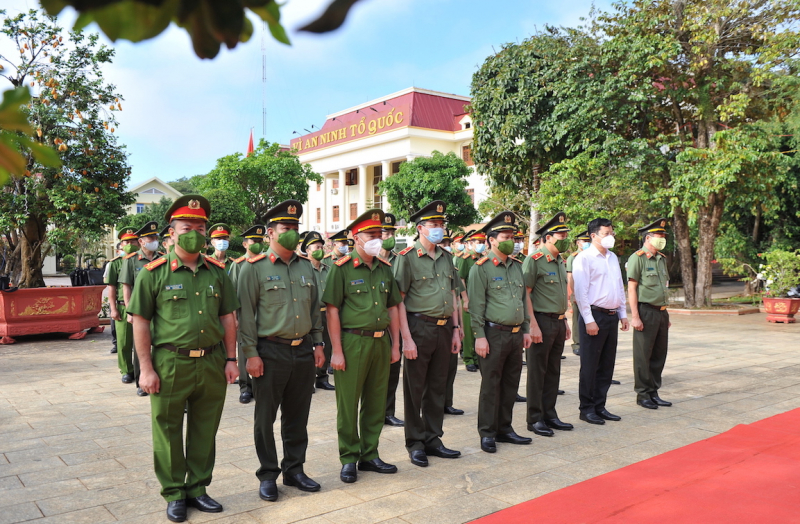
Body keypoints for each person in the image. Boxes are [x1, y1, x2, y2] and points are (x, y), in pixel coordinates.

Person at [127, 195, 239, 523]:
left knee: (205, 428)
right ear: (172, 233)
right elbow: (141, 323)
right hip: (169, 362)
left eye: (200, 227)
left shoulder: (218, 272)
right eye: (187, 227)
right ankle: (175, 492)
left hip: (211, 362)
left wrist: (231, 359)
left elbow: (228, 319)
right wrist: (145, 369)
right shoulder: (153, 274)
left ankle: (198, 488)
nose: (195, 232)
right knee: (168, 429)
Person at [237, 201, 326, 502]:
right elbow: (245, 315)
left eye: (295, 228)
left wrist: (318, 344)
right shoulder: (254, 268)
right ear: (270, 233)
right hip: (269, 351)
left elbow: (315, 309)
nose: (292, 233)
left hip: (302, 350)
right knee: (265, 418)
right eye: (286, 228)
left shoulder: (305, 267)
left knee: (297, 415)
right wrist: (250, 353)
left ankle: (295, 469)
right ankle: (267, 473)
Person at [322, 209, 402, 484]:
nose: (377, 239)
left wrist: (395, 345)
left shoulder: (384, 268)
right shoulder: (341, 268)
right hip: (352, 341)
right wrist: (337, 350)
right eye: (371, 235)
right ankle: (348, 458)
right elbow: (332, 311)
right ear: (356, 238)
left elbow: (393, 308)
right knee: (348, 404)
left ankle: (370, 453)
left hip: (381, 342)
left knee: (376, 402)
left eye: (379, 235)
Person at [394, 200, 462, 468]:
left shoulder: (447, 257)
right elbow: (398, 301)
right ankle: (415, 442)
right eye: (434, 225)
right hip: (419, 327)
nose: (439, 229)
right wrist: (406, 338)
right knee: (415, 389)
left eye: (442, 225)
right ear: (420, 228)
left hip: (445, 328)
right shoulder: (407, 258)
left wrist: (456, 330)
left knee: (437, 387)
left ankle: (434, 438)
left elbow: (454, 296)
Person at [469, 212, 533, 453]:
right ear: (492, 240)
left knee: (510, 383)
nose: (511, 241)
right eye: (506, 237)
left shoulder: (517, 266)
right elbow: (476, 306)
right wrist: (479, 336)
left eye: (513, 237)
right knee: (490, 385)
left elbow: (523, 299)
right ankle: (487, 432)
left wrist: (526, 329)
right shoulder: (481, 268)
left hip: (516, 334)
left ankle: (505, 428)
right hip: (493, 333)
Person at [572, 218, 630, 425]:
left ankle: (600, 405)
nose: (611, 237)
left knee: (606, 365)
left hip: (612, 316)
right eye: (606, 234)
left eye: (612, 233)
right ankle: (586, 408)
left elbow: (618, 287)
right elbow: (581, 292)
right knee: (590, 365)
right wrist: (588, 320)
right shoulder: (584, 258)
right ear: (593, 235)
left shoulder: (613, 258)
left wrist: (623, 314)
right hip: (594, 316)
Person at [522, 212, 574, 438]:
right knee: (537, 372)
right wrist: (531, 324)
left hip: (558, 321)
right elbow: (525, 294)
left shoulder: (560, 261)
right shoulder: (534, 261)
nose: (564, 237)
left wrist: (565, 320)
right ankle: (534, 418)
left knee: (553, 370)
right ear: (548, 237)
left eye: (565, 233)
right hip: (540, 321)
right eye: (561, 234)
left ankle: (549, 413)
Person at [627, 218, 672, 410]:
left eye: (663, 236)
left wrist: (666, 314)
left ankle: (654, 391)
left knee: (659, 354)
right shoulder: (637, 258)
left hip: (661, 312)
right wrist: (635, 316)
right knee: (643, 355)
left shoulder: (661, 259)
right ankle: (643, 394)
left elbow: (663, 288)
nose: (662, 239)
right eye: (658, 236)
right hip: (645, 311)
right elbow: (632, 288)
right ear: (648, 238)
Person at [120, 220, 162, 397]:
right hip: (141, 308)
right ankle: (140, 380)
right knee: (141, 345)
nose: (154, 240)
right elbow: (126, 286)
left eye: (155, 237)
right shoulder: (131, 260)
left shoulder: (162, 257)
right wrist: (130, 311)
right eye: (150, 238)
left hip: (160, 308)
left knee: (159, 343)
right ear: (141, 241)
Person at [229, 225, 268, 403]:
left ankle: (261, 386)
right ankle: (245, 388)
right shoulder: (238, 265)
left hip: (264, 317)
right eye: (254, 241)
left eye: (260, 241)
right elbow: (232, 294)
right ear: (245, 244)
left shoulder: (267, 263)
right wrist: (235, 318)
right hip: (244, 315)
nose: (257, 245)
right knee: (245, 349)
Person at [300, 230, 335, 393]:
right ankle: (309, 379)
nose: (319, 249)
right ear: (307, 250)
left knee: (326, 346)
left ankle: (322, 378)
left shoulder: (328, 269)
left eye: (321, 246)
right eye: (316, 247)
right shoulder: (303, 269)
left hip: (326, 312)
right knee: (310, 346)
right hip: (309, 313)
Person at [380, 213, 404, 427]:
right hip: (371, 323)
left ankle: (388, 411)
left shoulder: (400, 259)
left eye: (391, 232)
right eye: (385, 232)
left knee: (393, 369)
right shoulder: (365, 259)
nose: (389, 236)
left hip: (393, 323)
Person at [105, 230, 138, 379]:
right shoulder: (115, 263)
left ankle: (141, 370)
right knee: (124, 341)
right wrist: (113, 309)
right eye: (126, 242)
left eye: (133, 242)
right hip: (123, 306)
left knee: (144, 341)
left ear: (139, 243)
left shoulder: (144, 261)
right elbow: (111, 288)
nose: (130, 245)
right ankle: (126, 370)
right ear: (121, 245)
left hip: (143, 307)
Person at [441, 229, 466, 416]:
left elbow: (456, 297)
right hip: (431, 322)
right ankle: (434, 404)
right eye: (443, 244)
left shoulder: (451, 267)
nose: (446, 247)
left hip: (451, 321)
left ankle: (447, 402)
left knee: (450, 365)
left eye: (447, 244)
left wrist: (459, 326)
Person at [459, 230, 484, 373]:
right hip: (469, 299)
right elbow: (461, 279)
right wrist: (466, 299)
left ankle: (477, 358)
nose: (480, 245)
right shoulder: (465, 259)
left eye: (482, 242)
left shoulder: (483, 259)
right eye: (478, 242)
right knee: (468, 331)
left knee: (478, 330)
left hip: (480, 300)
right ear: (471, 243)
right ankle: (469, 359)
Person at [566, 230, 591, 356]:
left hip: (590, 294)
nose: (587, 243)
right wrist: (574, 294)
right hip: (577, 293)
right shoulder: (573, 257)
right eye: (584, 241)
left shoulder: (592, 255)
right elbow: (570, 277)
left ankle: (587, 343)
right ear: (578, 243)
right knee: (577, 319)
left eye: (588, 241)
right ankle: (577, 344)